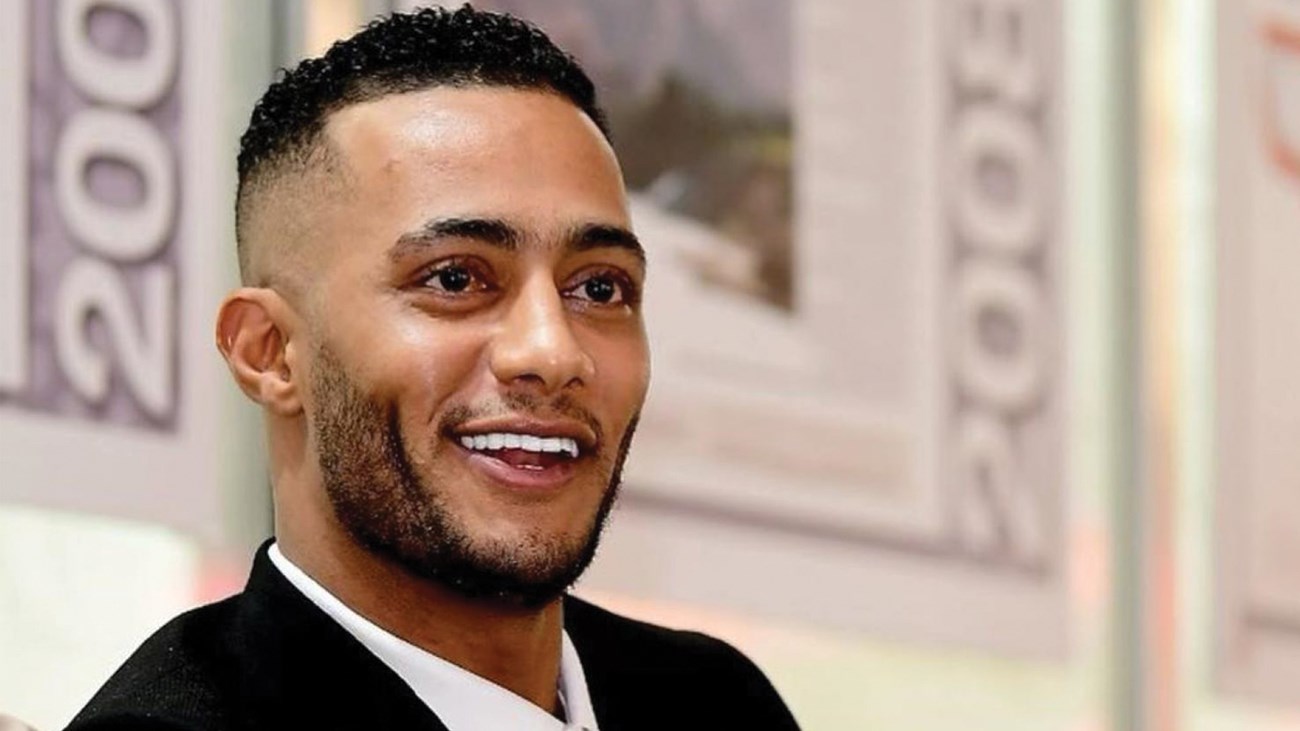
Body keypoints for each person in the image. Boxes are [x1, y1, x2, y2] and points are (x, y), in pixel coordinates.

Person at [65, 6, 800, 731]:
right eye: (455, 279)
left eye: (599, 288)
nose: (552, 352)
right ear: (270, 352)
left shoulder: (716, 702)